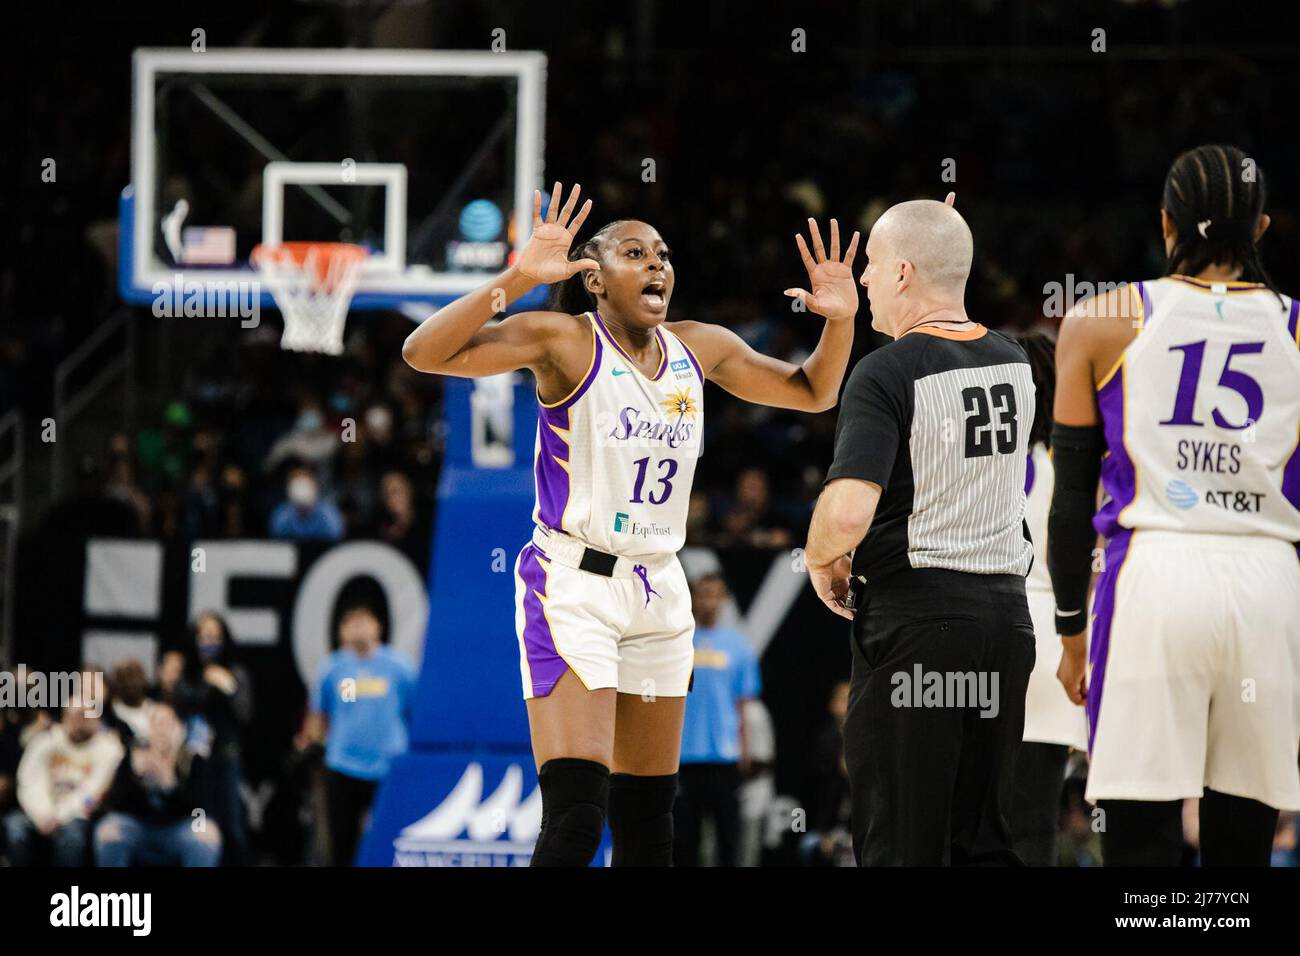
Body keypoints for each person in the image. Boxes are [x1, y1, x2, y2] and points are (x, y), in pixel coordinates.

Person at [402, 182, 860, 866]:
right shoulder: (563, 340)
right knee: (578, 818)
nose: (657, 266)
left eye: (664, 255)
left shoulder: (698, 348)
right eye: (635, 252)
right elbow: (423, 352)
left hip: (660, 588)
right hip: (574, 583)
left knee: (648, 824)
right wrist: (519, 277)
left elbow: (814, 390)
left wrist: (841, 320)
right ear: (593, 278)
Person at [1048, 144, 1300, 866]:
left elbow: (1070, 499)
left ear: (1166, 225)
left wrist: (1071, 631)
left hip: (1155, 575)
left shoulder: (1101, 319)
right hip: (1268, 580)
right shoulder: (1298, 329)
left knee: (1141, 836)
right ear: (1261, 229)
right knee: (1244, 841)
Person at [804, 197, 1037, 866]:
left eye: (873, 266)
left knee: (902, 845)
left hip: (919, 626)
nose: (867, 280)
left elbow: (849, 510)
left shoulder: (886, 371)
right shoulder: (1014, 359)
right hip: (1005, 625)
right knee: (986, 844)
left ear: (903, 273)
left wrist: (823, 557)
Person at [1008, 332, 1088, 866]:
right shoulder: (1077, 467)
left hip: (990, 628)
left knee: (970, 810)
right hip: (1058, 636)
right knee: (1035, 815)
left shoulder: (984, 456)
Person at [308, 598, 417, 866]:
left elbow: (414, 711)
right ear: (341, 632)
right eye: (351, 624)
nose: (358, 629)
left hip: (387, 768)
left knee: (390, 839)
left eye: (364, 622)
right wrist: (312, 744)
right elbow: (318, 715)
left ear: (378, 627)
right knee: (341, 843)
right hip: (342, 766)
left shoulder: (400, 668)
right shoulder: (331, 668)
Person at [673, 572, 761, 867]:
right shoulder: (678, 641)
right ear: (693, 598)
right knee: (685, 842)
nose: (708, 601)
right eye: (703, 594)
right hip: (683, 759)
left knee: (728, 841)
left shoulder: (739, 647)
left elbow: (743, 704)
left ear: (724, 600)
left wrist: (745, 751)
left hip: (725, 760)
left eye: (715, 594)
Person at [94, 701, 222, 866]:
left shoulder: (192, 760)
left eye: (167, 724)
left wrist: (169, 786)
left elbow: (202, 809)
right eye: (155, 724)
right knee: (109, 830)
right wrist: (135, 779)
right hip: (139, 828)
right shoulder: (133, 758)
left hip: (179, 829)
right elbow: (114, 805)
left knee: (206, 833)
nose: (161, 730)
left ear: (179, 729)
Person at [171, 611, 253, 865]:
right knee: (198, 826)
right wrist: (205, 684)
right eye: (204, 636)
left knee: (232, 825)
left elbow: (244, 714)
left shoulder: (235, 673)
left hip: (226, 758)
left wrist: (226, 686)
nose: (210, 642)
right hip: (193, 761)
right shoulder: (186, 676)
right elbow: (180, 709)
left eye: (215, 636)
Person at [4, 704, 123, 866]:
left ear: (96, 719)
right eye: (72, 715)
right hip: (39, 812)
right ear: (64, 717)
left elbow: (94, 792)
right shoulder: (45, 741)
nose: (78, 722)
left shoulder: (109, 748)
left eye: (83, 716)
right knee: (14, 827)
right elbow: (28, 782)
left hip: (78, 815)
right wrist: (43, 813)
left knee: (72, 837)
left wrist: (59, 816)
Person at [269, 462, 345, 540]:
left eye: (305, 485)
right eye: (297, 485)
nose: (301, 489)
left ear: (315, 487)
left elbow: (336, 539)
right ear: (288, 489)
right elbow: (276, 541)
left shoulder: (329, 514)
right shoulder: (281, 515)